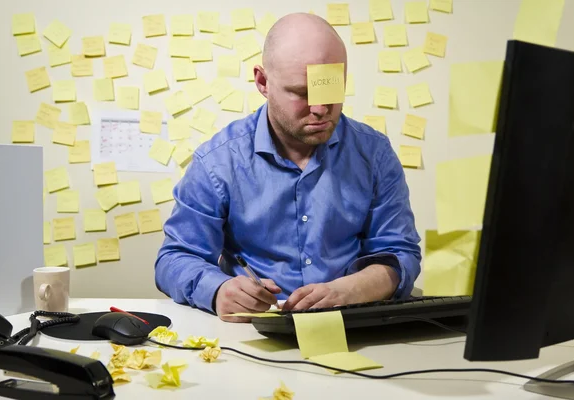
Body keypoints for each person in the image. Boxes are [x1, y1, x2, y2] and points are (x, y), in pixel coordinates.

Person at [155, 12, 421, 323]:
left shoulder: (374, 155)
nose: (321, 109)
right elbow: (173, 259)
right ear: (263, 82)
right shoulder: (218, 162)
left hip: (352, 326)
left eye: (330, 88)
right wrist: (219, 290)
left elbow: (400, 255)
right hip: (254, 332)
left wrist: (348, 292)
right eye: (302, 93)